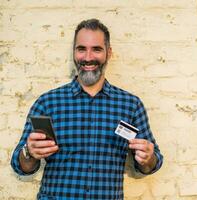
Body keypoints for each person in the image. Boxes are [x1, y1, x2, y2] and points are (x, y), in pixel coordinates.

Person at [11, 18, 163, 200]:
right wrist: (29, 152)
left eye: (97, 49)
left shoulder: (130, 105)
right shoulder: (47, 103)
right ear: (74, 52)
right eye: (81, 49)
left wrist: (148, 158)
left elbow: (151, 164)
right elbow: (21, 166)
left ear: (109, 53)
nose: (88, 57)